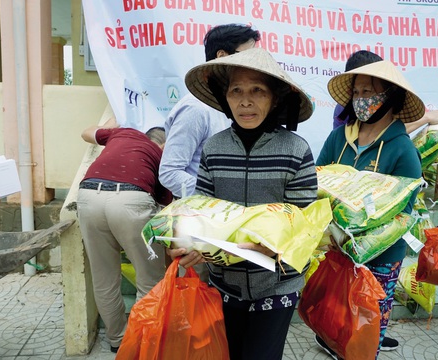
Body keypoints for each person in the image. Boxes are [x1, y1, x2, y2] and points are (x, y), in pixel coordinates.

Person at [169, 47, 317, 360]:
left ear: (274, 98)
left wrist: (275, 244)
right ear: (226, 98)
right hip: (226, 284)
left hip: (278, 283)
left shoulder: (296, 150)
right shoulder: (214, 147)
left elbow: (305, 223)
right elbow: (202, 208)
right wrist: (189, 241)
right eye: (236, 90)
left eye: (257, 91)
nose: (245, 101)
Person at [316, 60, 424, 358]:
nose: (361, 98)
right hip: (337, 253)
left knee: (365, 334)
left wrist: (359, 239)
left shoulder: (402, 148)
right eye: (358, 91)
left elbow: (403, 214)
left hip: (379, 260)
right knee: (336, 326)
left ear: (390, 97)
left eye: (369, 91)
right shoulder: (339, 138)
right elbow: (317, 182)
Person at [76, 118, 172, 353]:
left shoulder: (122, 134)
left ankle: (117, 339)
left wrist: (112, 124)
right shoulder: (160, 157)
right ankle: (140, 342)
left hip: (88, 195)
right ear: (163, 144)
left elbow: (86, 131)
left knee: (104, 278)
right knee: (150, 279)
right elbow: (165, 204)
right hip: (131, 199)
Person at [159, 24, 260, 198]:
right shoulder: (196, 108)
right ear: (222, 56)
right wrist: (216, 197)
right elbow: (170, 172)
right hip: (201, 217)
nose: (254, 64)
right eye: (248, 55)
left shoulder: (238, 107)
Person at [333, 50, 438, 133]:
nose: (360, 98)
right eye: (356, 91)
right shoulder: (343, 109)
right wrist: (427, 118)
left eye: (367, 90)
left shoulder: (392, 102)